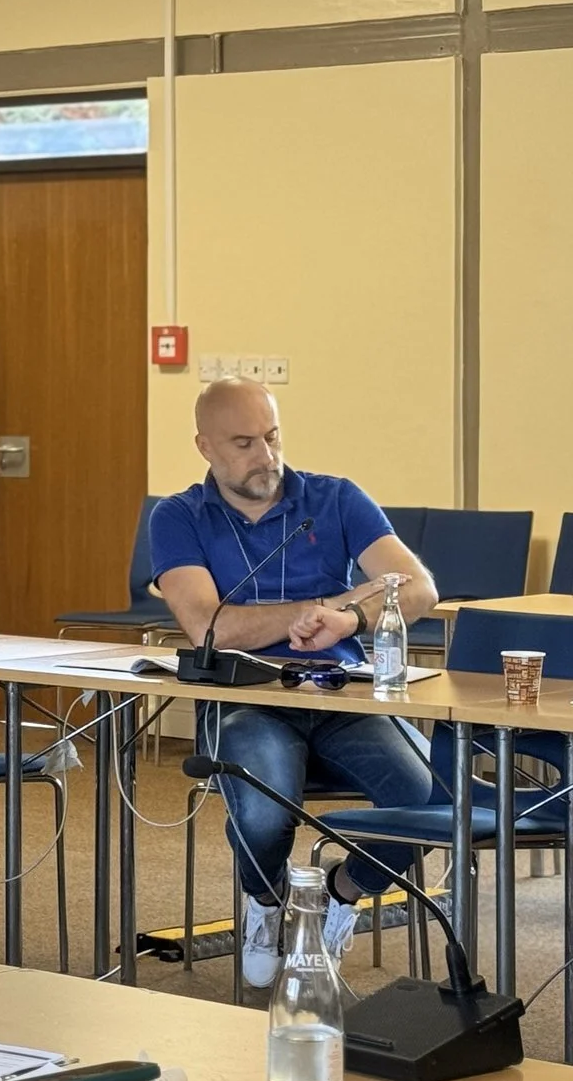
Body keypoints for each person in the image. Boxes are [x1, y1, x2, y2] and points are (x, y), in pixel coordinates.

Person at [150, 379, 441, 990]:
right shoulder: (178, 516)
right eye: (244, 443)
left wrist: (349, 619)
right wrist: (317, 608)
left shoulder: (336, 498)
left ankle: (341, 891)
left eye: (273, 437)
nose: (266, 456)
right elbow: (209, 626)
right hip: (247, 703)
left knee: (433, 802)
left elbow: (418, 588)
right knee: (263, 815)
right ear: (205, 446)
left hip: (341, 694)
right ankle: (265, 899)